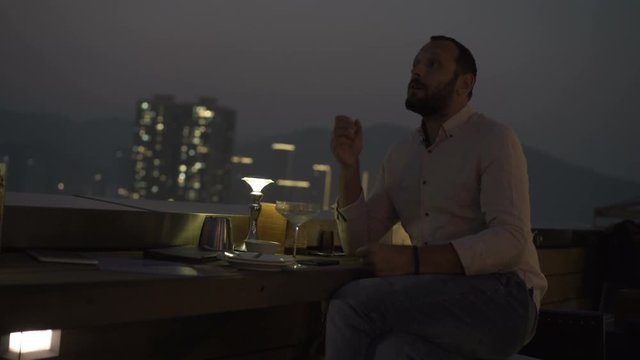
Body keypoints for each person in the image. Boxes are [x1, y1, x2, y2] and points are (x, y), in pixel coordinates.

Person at [326, 35, 547, 359]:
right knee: (393, 352)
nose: (417, 72)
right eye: (416, 64)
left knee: (351, 302)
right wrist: (349, 168)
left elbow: (511, 241)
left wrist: (413, 261)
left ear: (464, 83)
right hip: (434, 295)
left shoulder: (494, 139)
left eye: (433, 65)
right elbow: (359, 241)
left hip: (505, 298)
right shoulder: (401, 154)